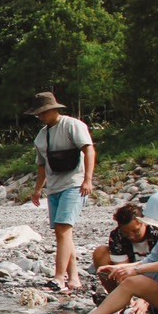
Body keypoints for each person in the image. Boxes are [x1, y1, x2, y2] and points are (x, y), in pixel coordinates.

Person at [26, 91, 95, 294]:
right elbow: (41, 166)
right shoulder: (40, 137)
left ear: (54, 109)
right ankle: (73, 278)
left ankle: (59, 277)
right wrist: (38, 189)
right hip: (54, 187)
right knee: (62, 234)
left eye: (43, 113)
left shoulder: (72, 125)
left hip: (74, 184)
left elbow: (89, 150)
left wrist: (88, 180)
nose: (40, 117)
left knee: (64, 229)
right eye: (38, 114)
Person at [94, 203, 156, 314]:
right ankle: (121, 301)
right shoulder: (117, 236)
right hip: (131, 272)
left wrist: (145, 300)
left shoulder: (157, 233)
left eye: (135, 231)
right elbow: (122, 271)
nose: (131, 236)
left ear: (144, 223)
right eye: (126, 233)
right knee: (101, 252)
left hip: (155, 274)